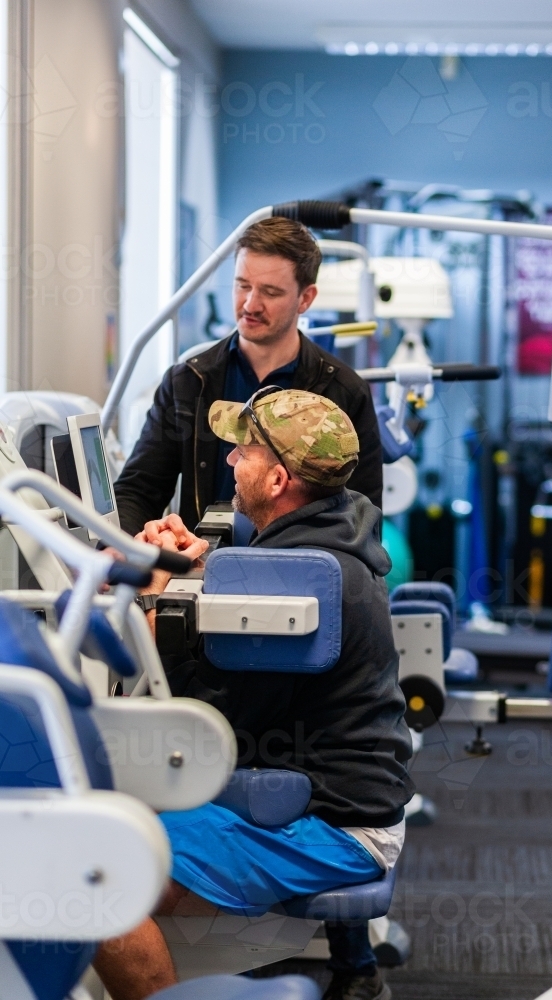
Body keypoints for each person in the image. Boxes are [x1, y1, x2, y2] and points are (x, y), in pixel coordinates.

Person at [95, 389, 413, 1000]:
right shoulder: (331, 539)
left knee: (103, 879)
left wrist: (154, 598)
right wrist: (193, 567)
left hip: (335, 825)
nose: (231, 460)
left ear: (278, 478)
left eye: (245, 451)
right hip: (339, 798)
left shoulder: (301, 575)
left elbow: (209, 725)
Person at [113, 216, 383, 543]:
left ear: (306, 298)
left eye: (270, 292)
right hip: (203, 573)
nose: (251, 304)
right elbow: (139, 490)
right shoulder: (188, 383)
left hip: (299, 577)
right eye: (243, 285)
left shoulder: (343, 391)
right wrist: (117, 546)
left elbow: (364, 517)